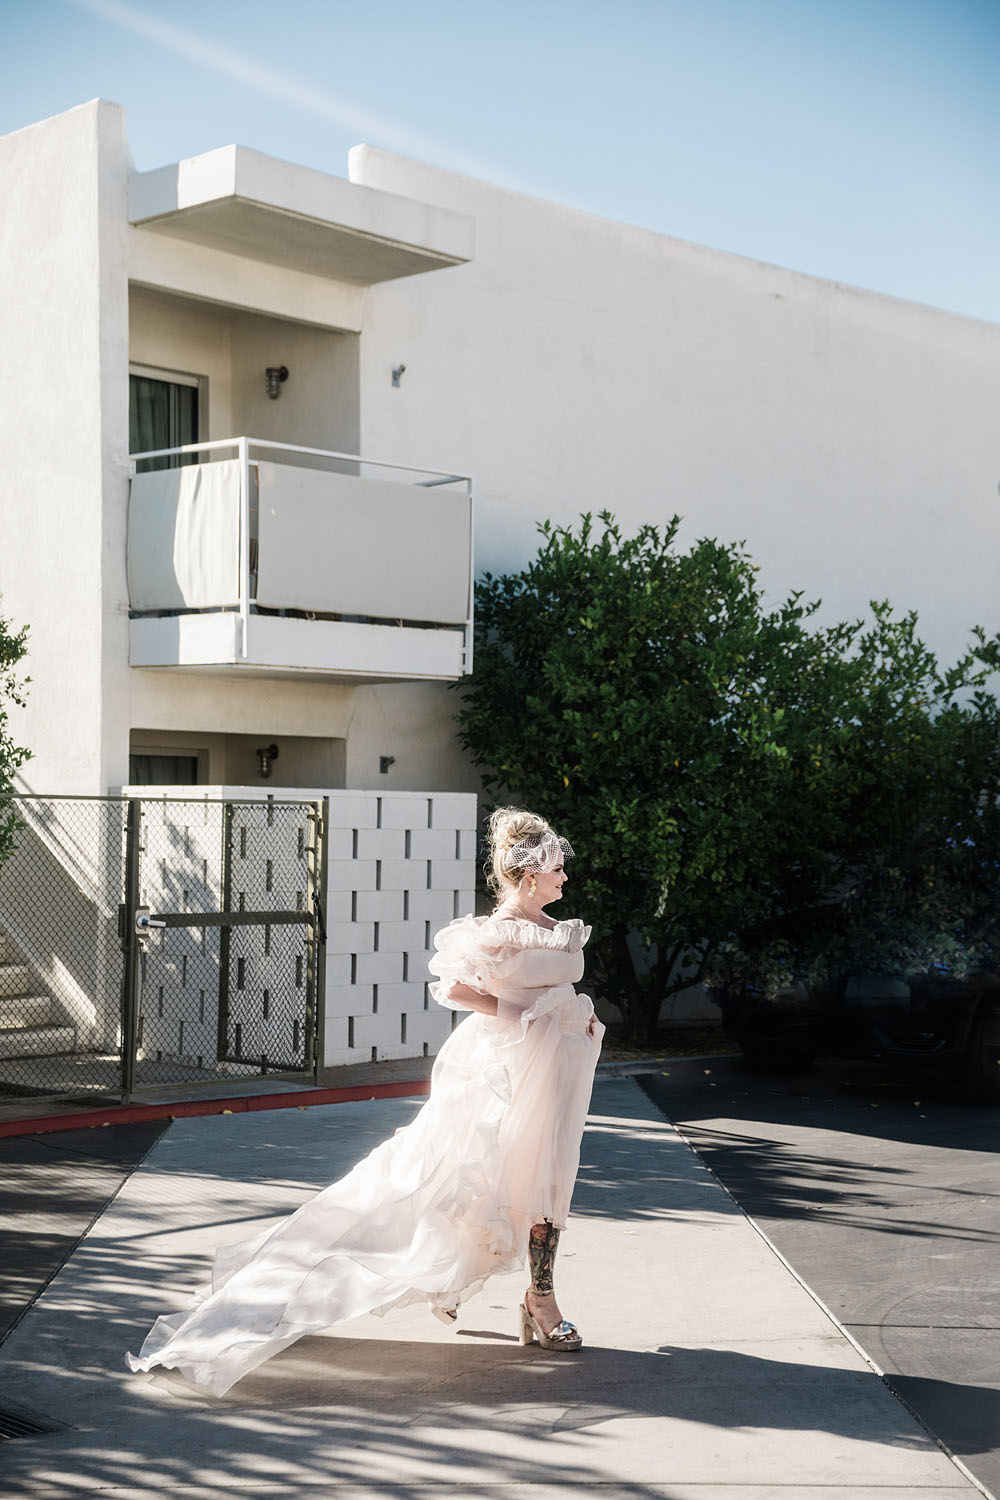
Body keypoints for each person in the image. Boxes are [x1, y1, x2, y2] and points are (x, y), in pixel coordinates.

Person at [126, 806, 604, 1396]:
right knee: (446, 1182)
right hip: (500, 1070)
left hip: (554, 1066)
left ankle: (541, 1299)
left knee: (548, 1182)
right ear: (529, 875)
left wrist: (569, 1020)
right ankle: (387, 1280)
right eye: (557, 869)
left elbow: (559, 988)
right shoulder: (489, 933)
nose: (564, 879)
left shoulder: (560, 929)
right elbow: (455, 990)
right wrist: (520, 1012)